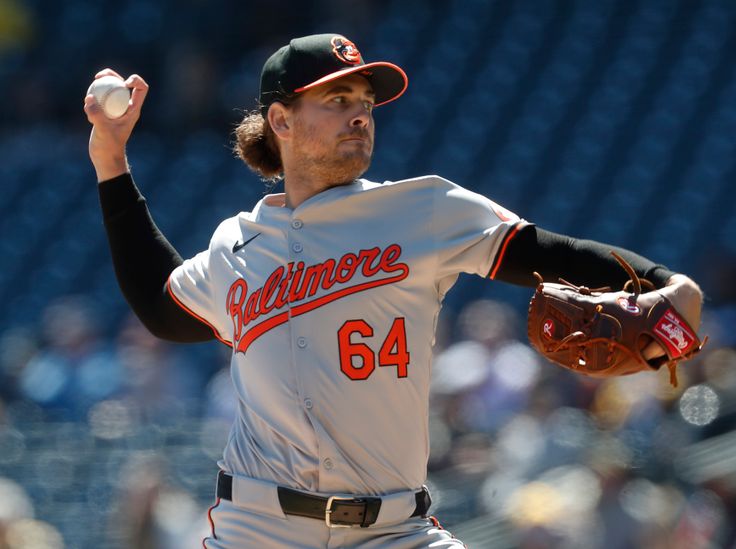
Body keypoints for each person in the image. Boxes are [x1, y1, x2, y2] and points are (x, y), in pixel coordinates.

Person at [84, 33, 703, 549]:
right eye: (337, 98)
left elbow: (546, 252)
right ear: (281, 120)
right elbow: (165, 310)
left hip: (395, 530)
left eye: (365, 100)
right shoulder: (237, 244)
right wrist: (111, 161)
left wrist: (666, 284)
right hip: (257, 528)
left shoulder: (423, 209)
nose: (360, 111)